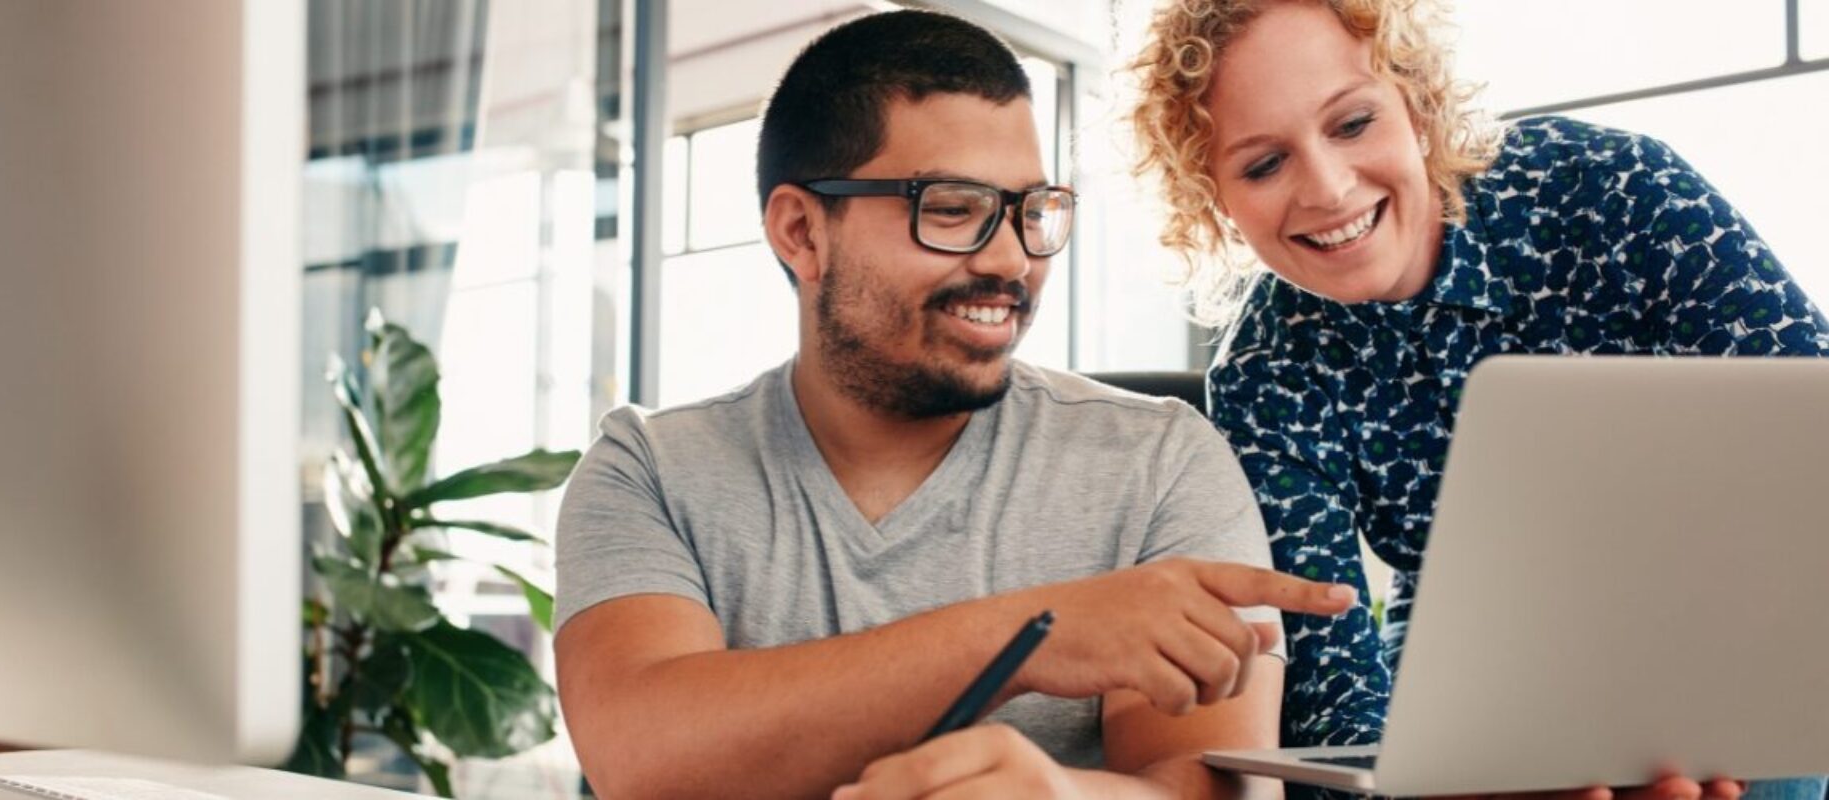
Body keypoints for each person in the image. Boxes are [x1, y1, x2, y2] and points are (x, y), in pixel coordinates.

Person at [551, 9, 1357, 800]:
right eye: (951, 209)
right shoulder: (650, 470)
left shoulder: (1163, 460)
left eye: (1031, 211)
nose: (1011, 258)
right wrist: (1032, 635)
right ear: (801, 232)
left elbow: (1210, 789)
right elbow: (643, 758)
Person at [1126, 1, 1829, 799]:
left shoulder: (1612, 188)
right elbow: (1330, 691)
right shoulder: (1264, 374)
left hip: (1722, 595)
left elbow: (1808, 424)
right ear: (1213, 197)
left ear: (1418, 104)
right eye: (1262, 165)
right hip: (1476, 639)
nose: (1326, 188)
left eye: (1353, 124)